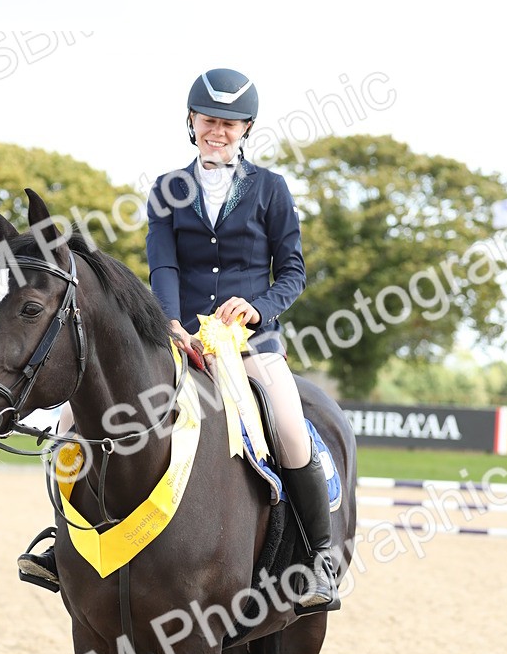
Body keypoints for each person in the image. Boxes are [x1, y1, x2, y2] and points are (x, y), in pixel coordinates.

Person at [18, 68, 339, 613]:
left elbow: (292, 272)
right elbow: (162, 262)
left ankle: (317, 559)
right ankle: (62, 544)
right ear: (192, 121)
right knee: (73, 424)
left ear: (246, 129)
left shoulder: (271, 189)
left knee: (288, 424)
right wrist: (168, 321)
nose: (219, 131)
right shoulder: (169, 188)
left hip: (248, 345)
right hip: (175, 336)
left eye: (231, 124)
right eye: (210, 120)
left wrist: (257, 309)